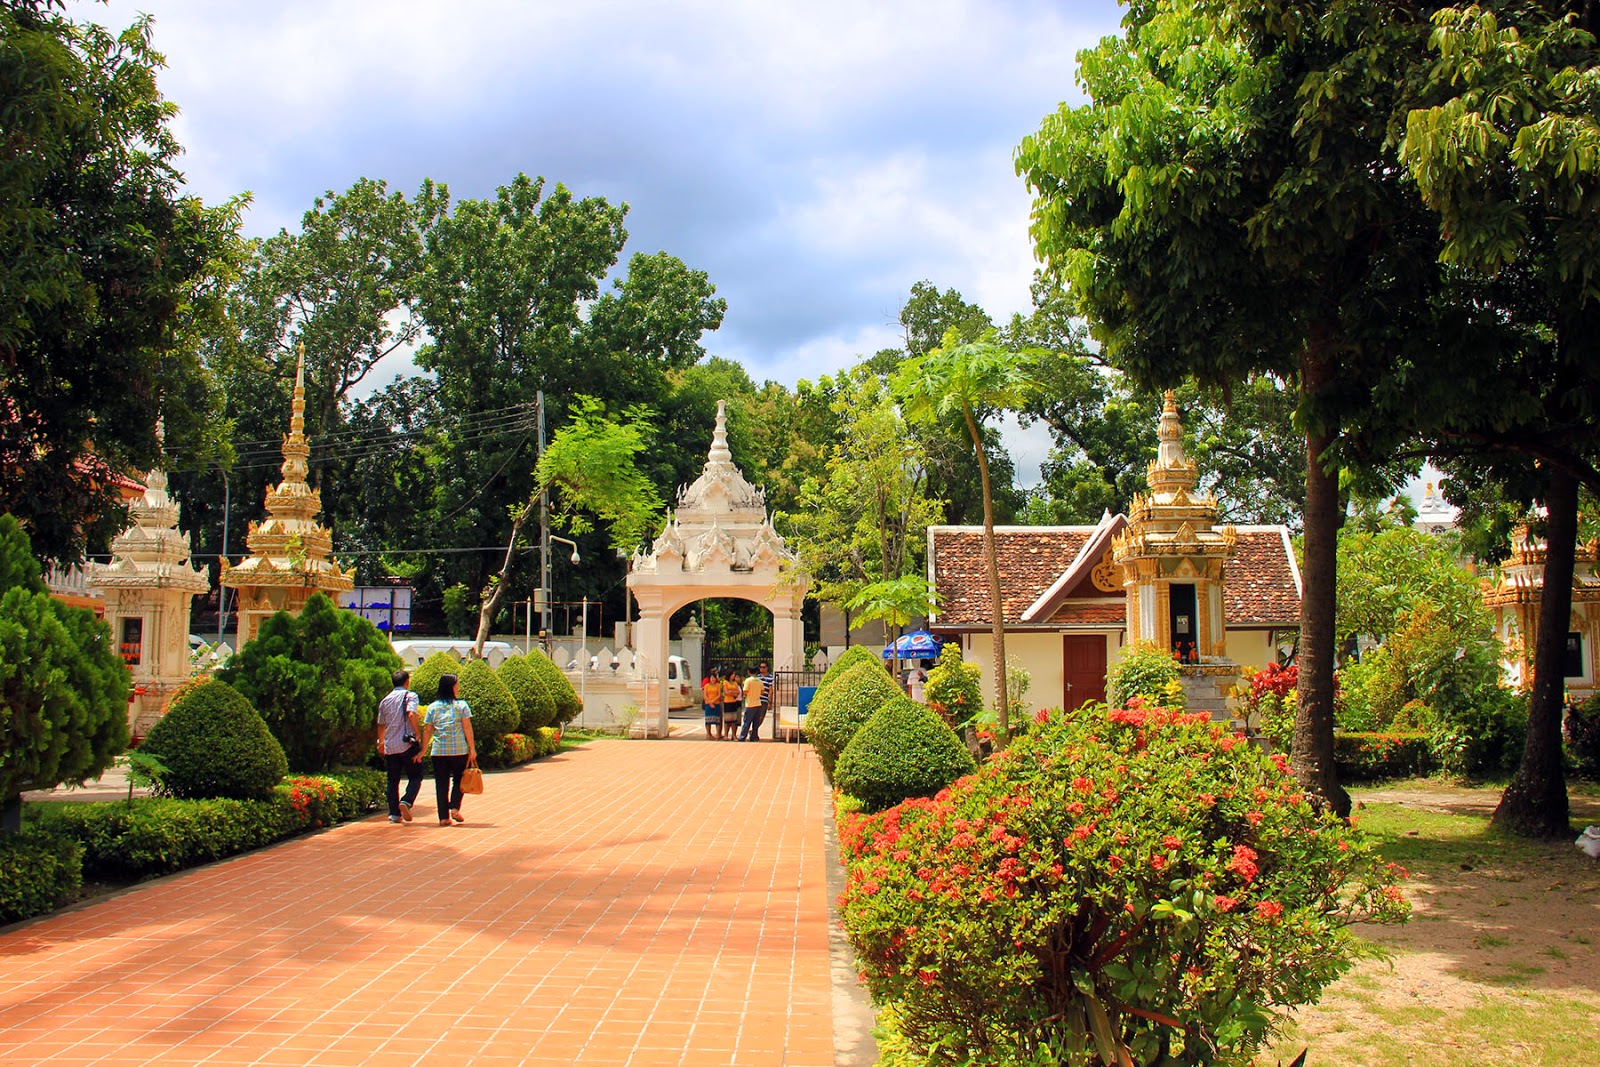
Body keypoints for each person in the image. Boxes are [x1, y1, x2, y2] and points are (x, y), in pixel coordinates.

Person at [421, 673, 477, 826]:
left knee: (441, 783)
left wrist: (423, 749)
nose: (458, 688)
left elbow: (427, 730)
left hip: (439, 751)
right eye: (456, 685)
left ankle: (443, 817)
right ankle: (454, 807)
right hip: (459, 750)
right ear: (451, 687)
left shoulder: (432, 707)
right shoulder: (461, 706)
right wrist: (472, 748)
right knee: (459, 779)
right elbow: (467, 727)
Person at [375, 669, 424, 823]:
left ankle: (394, 814)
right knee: (416, 776)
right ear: (407, 681)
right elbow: (411, 714)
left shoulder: (385, 700)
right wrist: (417, 733)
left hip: (390, 746)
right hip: (407, 744)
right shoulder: (410, 696)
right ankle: (407, 801)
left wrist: (381, 742)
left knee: (392, 780)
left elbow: (381, 724)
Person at [740, 661, 773, 741]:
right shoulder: (758, 679)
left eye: (764, 667)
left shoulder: (769, 677)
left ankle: (744, 736)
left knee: (751, 720)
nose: (762, 669)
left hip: (758, 701)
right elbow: (762, 691)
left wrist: (770, 701)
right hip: (757, 701)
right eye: (760, 667)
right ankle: (754, 735)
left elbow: (770, 690)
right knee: (755, 720)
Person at [720, 670, 743, 741]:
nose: (733, 676)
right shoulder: (725, 682)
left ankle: (734, 735)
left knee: (734, 720)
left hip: (734, 702)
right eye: (733, 674)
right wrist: (733, 693)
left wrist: (731, 692)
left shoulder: (735, 683)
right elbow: (726, 692)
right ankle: (726, 735)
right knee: (727, 720)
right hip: (727, 702)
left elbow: (738, 692)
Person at [702, 669, 723, 740]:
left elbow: (719, 695)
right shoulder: (706, 686)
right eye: (711, 678)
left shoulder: (718, 685)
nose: (712, 679)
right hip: (708, 704)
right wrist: (710, 702)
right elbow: (705, 695)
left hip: (716, 704)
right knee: (708, 721)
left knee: (717, 720)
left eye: (714, 678)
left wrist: (713, 701)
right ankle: (708, 734)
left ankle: (717, 734)